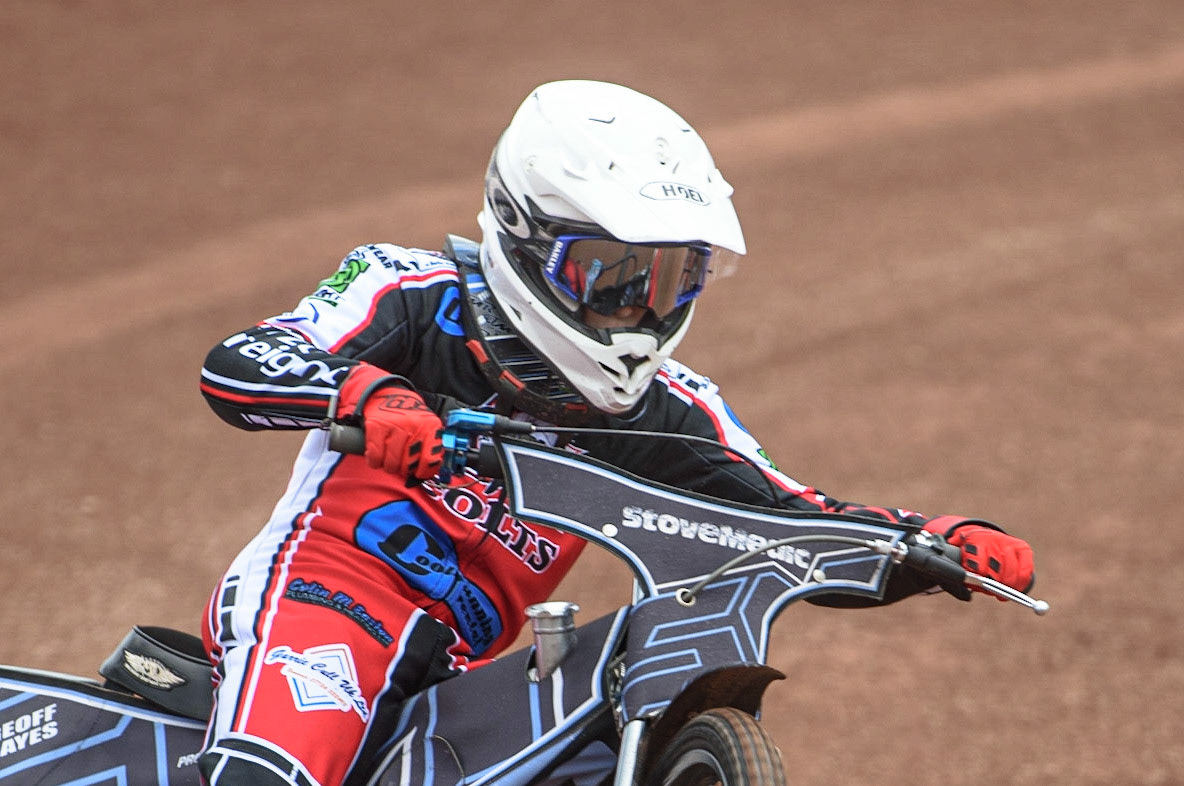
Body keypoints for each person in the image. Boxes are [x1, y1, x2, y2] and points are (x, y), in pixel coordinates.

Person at [196, 80, 1035, 786]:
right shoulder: (409, 291)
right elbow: (243, 360)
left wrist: (930, 543)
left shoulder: (670, 408)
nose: (642, 310)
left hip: (464, 667)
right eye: (613, 275)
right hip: (325, 601)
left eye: (675, 278)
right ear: (523, 236)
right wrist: (368, 396)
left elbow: (790, 515)